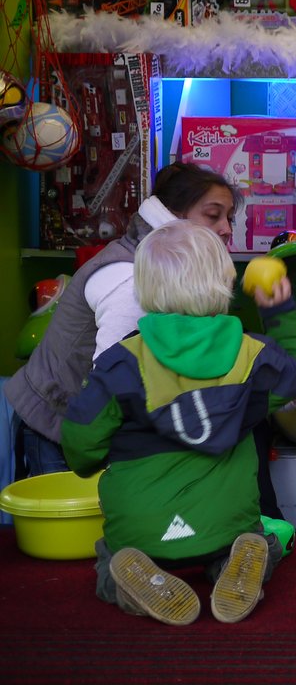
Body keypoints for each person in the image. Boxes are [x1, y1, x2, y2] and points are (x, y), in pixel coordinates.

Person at [61, 221, 296, 625]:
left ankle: (130, 583)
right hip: (226, 522)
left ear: (145, 288)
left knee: (111, 560)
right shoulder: (253, 354)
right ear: (224, 283)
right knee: (259, 541)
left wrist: (97, 456)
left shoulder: (122, 362)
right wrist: (278, 309)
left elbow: (79, 445)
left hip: (139, 528)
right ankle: (230, 564)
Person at [6, 162, 236, 477]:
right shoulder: (131, 281)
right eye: (213, 215)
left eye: (229, 217)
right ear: (170, 218)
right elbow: (110, 381)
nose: (227, 228)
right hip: (59, 430)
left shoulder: (158, 269)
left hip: (84, 426)